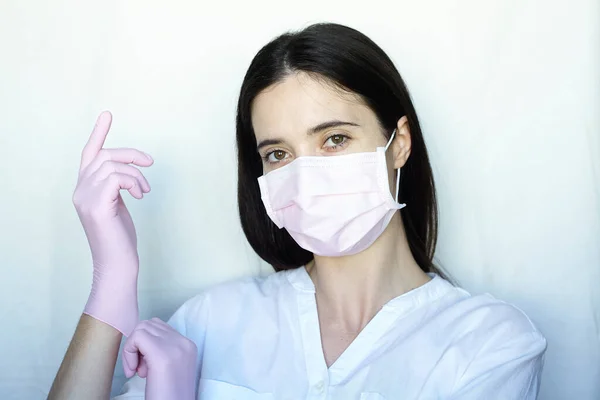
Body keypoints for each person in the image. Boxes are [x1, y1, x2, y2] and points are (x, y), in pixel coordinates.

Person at [48, 23, 547, 400]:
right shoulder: (211, 321)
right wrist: (112, 281)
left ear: (400, 144)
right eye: (278, 154)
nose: (306, 177)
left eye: (334, 139)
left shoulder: (488, 343)